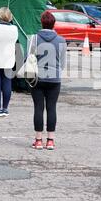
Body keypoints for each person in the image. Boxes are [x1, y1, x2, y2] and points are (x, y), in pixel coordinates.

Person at [30, 11, 66, 150]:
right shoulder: (61, 40)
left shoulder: (33, 39)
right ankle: (50, 140)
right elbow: (62, 64)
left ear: (42, 22)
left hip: (37, 78)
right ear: (53, 24)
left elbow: (30, 58)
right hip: (54, 78)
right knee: (52, 108)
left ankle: (38, 140)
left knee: (38, 108)